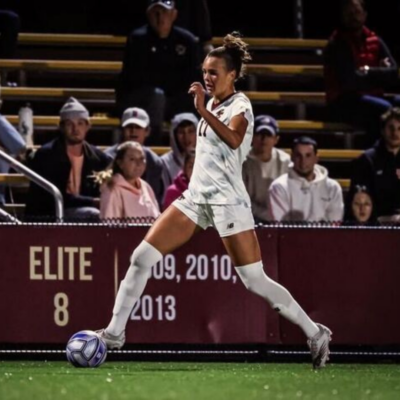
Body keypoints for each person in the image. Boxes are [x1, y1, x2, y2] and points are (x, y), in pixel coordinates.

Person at [96, 32, 332, 369]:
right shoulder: (214, 105)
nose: (207, 77)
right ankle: (115, 333)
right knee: (140, 258)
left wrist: (202, 112)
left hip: (228, 203)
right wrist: (205, 110)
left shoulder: (240, 105)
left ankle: (314, 332)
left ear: (232, 75)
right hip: (195, 198)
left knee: (254, 280)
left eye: (213, 72)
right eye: (204, 71)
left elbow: (235, 139)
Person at [115, 0, 202, 142]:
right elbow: (135, 79)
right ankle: (153, 144)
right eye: (156, 12)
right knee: (157, 96)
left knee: (206, 97)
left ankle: (204, 149)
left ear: (174, 14)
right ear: (148, 15)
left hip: (175, 99)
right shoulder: (137, 39)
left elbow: (193, 77)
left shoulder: (187, 41)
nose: (160, 17)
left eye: (165, 12)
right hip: (144, 99)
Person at [323, 0, 400, 145]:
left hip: (372, 97)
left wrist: (368, 71)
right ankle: (380, 158)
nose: (353, 17)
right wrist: (380, 72)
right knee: (384, 110)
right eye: (349, 13)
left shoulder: (375, 40)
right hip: (342, 102)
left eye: (357, 12)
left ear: (364, 15)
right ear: (343, 16)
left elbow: (394, 73)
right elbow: (350, 81)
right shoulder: (337, 43)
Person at [25, 97, 111, 221]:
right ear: (61, 127)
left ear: (88, 126)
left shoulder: (98, 158)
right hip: (51, 213)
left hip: (84, 210)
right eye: (70, 124)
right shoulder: (47, 154)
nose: (75, 129)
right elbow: (50, 197)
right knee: (94, 214)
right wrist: (92, 201)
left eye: (80, 123)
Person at [269, 137, 344, 223]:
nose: (303, 161)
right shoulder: (279, 187)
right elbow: (281, 226)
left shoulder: (333, 188)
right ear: (292, 157)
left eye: (308, 155)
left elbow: (335, 224)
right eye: (298, 156)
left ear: (316, 158)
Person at [105, 107, 164, 206]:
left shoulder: (154, 162)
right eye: (129, 127)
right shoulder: (107, 157)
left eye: (138, 127)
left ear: (147, 131)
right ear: (122, 130)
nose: (133, 131)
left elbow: (156, 197)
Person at [350, 107, 400, 220]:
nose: (395, 133)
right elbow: (359, 198)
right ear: (382, 130)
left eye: (399, 129)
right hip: (376, 222)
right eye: (390, 128)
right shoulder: (367, 160)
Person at [242, 115, 290, 224]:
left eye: (268, 135)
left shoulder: (285, 161)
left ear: (276, 139)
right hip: (248, 218)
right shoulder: (241, 161)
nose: (264, 139)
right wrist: (269, 215)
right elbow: (240, 200)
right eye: (259, 134)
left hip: (281, 219)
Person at [100, 141, 160, 221]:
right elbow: (110, 228)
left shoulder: (146, 187)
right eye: (132, 159)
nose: (139, 163)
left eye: (142, 159)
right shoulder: (112, 189)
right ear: (120, 163)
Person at [161, 112, 198, 189]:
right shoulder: (165, 162)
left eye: (191, 131)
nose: (186, 137)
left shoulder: (208, 158)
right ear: (174, 136)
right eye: (181, 132)